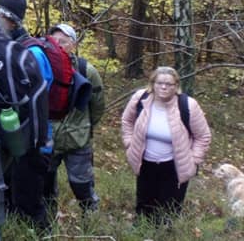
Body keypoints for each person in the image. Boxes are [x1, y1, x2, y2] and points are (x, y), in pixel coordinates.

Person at [121, 66, 211, 224]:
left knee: (170, 209)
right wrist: (129, 143)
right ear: (152, 83)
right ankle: (143, 232)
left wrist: (194, 160)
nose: (163, 87)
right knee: (144, 205)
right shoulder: (140, 98)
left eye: (169, 84)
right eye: (159, 82)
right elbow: (127, 121)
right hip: (145, 163)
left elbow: (203, 136)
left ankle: (166, 234)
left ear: (176, 86)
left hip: (174, 166)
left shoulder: (188, 105)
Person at [0, 0, 54, 232]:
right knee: (11, 195)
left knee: (29, 201)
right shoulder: (9, 46)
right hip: (13, 136)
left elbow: (40, 95)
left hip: (32, 140)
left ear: (7, 17)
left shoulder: (31, 52)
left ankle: (43, 234)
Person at [45, 23, 104, 213]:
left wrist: (84, 127)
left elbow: (97, 105)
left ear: (74, 44)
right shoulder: (42, 66)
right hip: (47, 139)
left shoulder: (87, 70)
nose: (59, 45)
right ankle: (46, 225)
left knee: (82, 185)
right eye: (55, 41)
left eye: (64, 41)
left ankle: (91, 221)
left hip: (78, 139)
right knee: (45, 187)